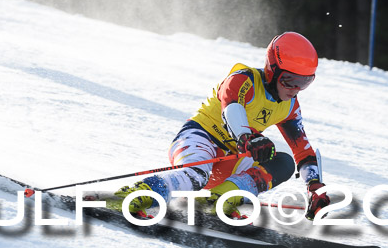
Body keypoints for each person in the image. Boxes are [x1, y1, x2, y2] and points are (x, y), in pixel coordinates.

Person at [116, 31, 331, 221]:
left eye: (304, 82)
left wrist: (314, 187)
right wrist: (248, 138)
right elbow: (231, 109)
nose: (295, 89)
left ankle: (218, 199)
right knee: (196, 175)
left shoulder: (289, 106)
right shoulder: (242, 79)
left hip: (231, 159)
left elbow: (302, 151)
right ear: (272, 70)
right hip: (200, 138)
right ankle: (142, 193)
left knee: (283, 162)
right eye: (289, 80)